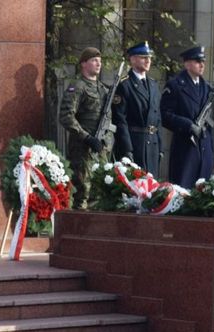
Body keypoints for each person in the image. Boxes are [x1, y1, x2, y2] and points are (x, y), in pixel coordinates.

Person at [59, 47, 113, 209]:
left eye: (100, 61)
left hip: (101, 148)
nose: (98, 64)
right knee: (82, 192)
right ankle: (78, 229)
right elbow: (66, 117)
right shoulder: (77, 86)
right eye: (94, 60)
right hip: (83, 150)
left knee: (100, 190)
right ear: (83, 63)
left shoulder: (103, 89)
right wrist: (87, 137)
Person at [160, 45, 214, 188]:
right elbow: (165, 115)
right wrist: (188, 125)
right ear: (187, 64)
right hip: (185, 147)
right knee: (183, 190)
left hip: (204, 147)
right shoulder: (175, 85)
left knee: (204, 193)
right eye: (197, 61)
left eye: (203, 61)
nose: (202, 64)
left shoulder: (207, 87)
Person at [112, 41, 162, 177]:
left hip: (152, 145)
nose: (148, 61)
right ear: (133, 59)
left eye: (149, 57)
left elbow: (158, 119)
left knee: (153, 190)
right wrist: (127, 149)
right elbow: (120, 120)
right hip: (135, 143)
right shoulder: (125, 84)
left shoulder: (153, 84)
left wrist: (160, 146)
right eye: (143, 57)